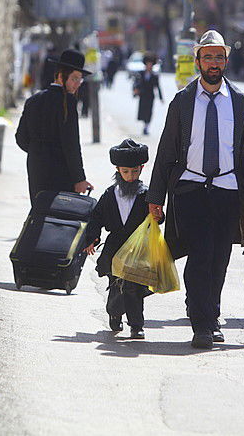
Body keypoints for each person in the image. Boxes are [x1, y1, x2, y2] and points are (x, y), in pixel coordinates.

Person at [146, 30, 244, 349]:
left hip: (228, 190)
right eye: (208, 56)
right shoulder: (183, 101)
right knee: (200, 255)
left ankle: (210, 315)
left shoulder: (241, 103)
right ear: (197, 61)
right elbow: (166, 150)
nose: (213, 63)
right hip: (190, 189)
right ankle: (203, 323)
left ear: (226, 61)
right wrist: (155, 197)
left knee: (219, 258)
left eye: (219, 57)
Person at [84, 139, 153, 339]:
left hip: (138, 248)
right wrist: (92, 238)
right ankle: (114, 313)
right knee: (117, 285)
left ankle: (136, 325)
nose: (130, 176)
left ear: (141, 168)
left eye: (134, 171)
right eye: (125, 172)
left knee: (134, 287)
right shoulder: (110, 194)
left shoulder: (146, 194)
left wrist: (158, 217)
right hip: (115, 248)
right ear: (118, 170)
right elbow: (96, 217)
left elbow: (156, 218)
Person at [15, 49, 94, 205]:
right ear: (60, 75)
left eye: (80, 80)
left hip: (36, 167)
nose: (77, 84)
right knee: (58, 214)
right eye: (74, 78)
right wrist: (79, 179)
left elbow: (21, 139)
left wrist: (38, 152)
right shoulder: (68, 102)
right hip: (61, 172)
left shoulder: (33, 100)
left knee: (39, 210)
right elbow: (71, 145)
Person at [133, 53, 163, 135]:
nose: (149, 66)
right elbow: (136, 83)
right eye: (147, 64)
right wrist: (135, 91)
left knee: (149, 112)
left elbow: (158, 87)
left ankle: (146, 127)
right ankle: (144, 123)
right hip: (142, 95)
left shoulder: (154, 75)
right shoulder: (140, 74)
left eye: (150, 64)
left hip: (150, 96)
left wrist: (161, 98)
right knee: (143, 111)